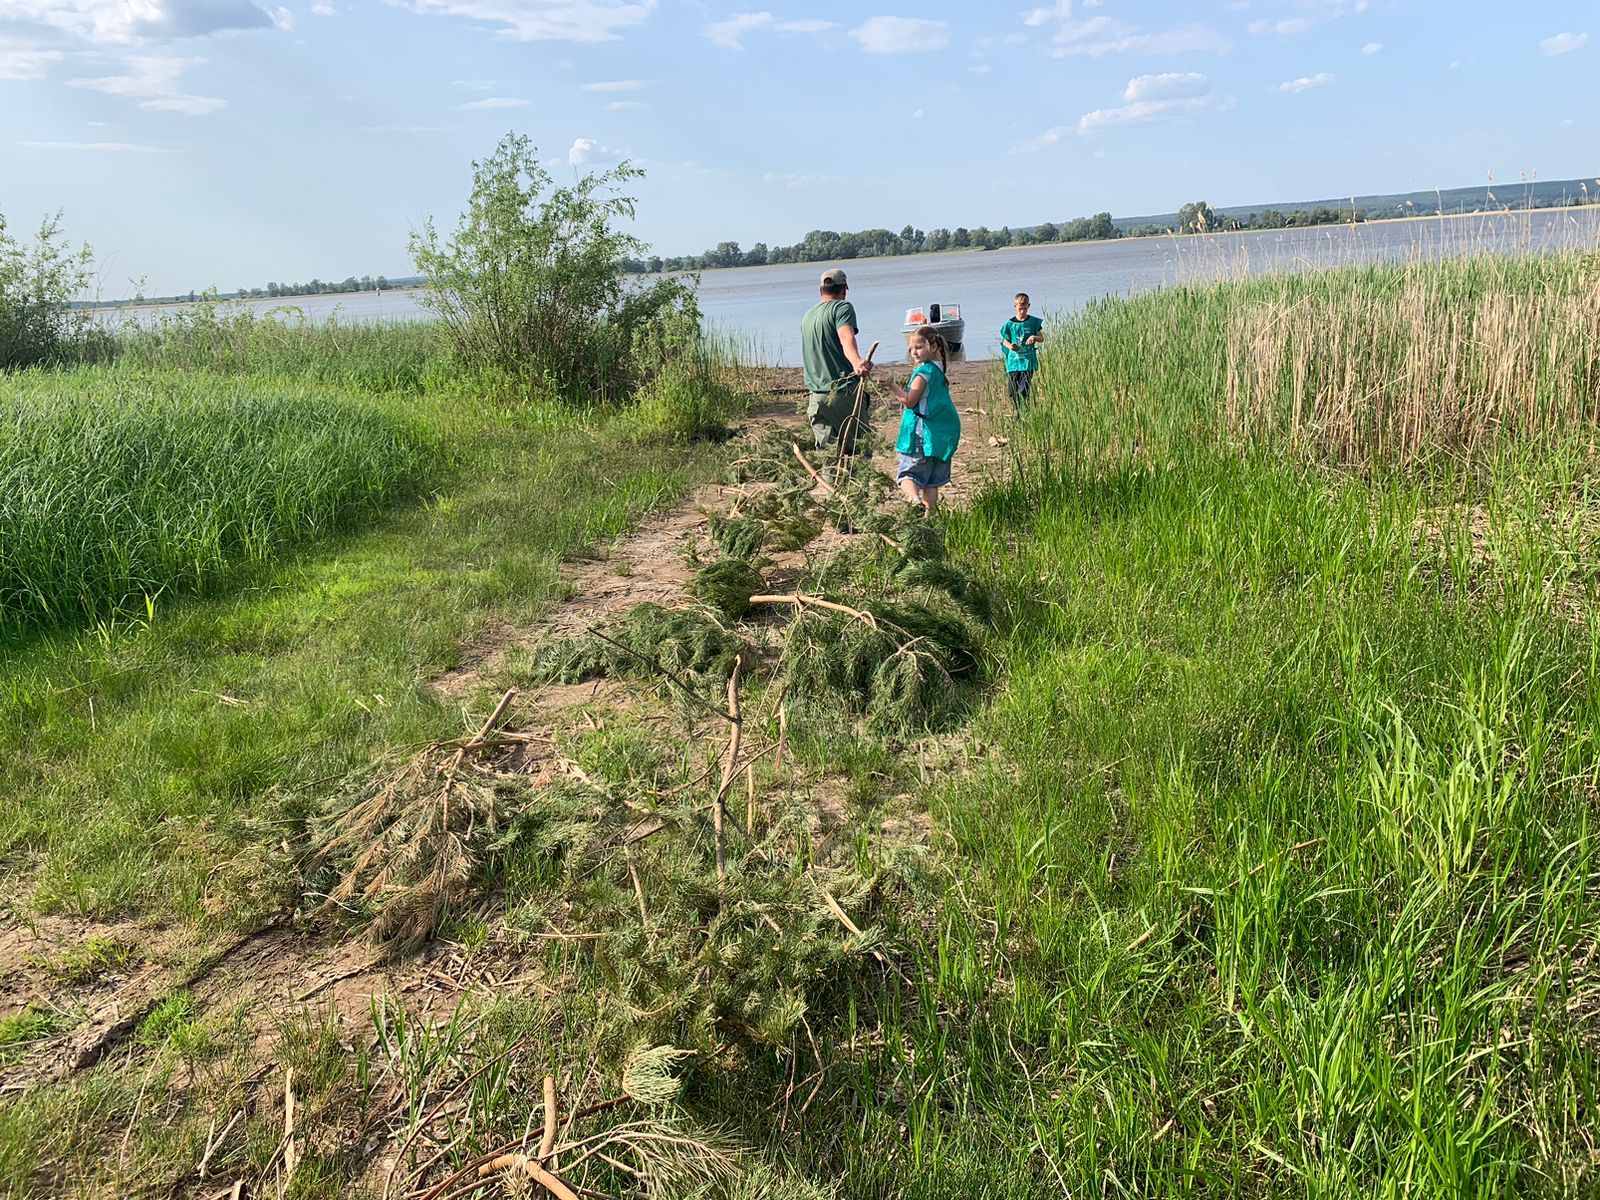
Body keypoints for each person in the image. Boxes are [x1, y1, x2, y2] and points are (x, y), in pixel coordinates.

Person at [881, 325, 960, 515]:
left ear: (933, 346)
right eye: (911, 349)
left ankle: (914, 500)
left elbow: (909, 401)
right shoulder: (938, 368)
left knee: (908, 474)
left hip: (922, 432)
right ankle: (930, 515)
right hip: (941, 434)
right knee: (931, 482)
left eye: (918, 347)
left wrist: (892, 386)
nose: (914, 352)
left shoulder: (923, 372)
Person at [801, 267, 873, 455]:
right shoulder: (842, 308)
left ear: (820, 291)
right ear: (844, 290)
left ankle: (831, 485)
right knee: (859, 452)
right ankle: (855, 485)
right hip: (841, 393)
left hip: (816, 398)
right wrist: (857, 362)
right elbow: (845, 337)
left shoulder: (807, 316)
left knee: (829, 456)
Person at [999, 292, 1045, 409]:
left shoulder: (1033, 322)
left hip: (1027, 361)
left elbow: (1041, 338)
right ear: (1015, 307)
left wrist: (1034, 337)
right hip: (1013, 362)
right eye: (1020, 309)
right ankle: (1019, 410)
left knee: (1024, 389)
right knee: (1012, 391)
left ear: (1028, 306)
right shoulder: (1010, 324)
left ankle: (1024, 413)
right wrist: (1011, 346)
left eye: (1025, 309)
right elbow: (1005, 341)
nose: (1022, 312)